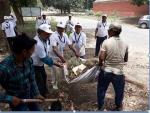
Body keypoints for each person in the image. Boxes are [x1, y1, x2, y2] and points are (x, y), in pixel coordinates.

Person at [0, 33, 44, 111]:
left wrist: (36, 93)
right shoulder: (4, 68)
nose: (33, 53)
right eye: (32, 50)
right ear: (24, 52)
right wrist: (10, 98)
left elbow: (32, 79)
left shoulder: (29, 61)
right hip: (16, 101)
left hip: (30, 95)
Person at [97, 24, 128, 111]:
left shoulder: (106, 42)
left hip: (106, 71)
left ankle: (101, 106)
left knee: (101, 89)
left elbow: (101, 58)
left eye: (109, 30)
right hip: (119, 73)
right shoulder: (125, 43)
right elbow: (125, 59)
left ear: (112, 31)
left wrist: (99, 64)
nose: (107, 31)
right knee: (119, 92)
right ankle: (118, 106)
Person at [31, 24, 62, 97]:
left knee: (44, 76)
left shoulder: (46, 40)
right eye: (47, 34)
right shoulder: (37, 43)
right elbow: (44, 58)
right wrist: (55, 63)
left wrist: (55, 61)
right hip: (35, 65)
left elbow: (46, 53)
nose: (48, 35)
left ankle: (44, 91)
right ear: (40, 32)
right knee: (39, 80)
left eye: (49, 34)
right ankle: (40, 95)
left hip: (40, 63)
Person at [49, 21, 79, 89]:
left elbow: (70, 45)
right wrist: (62, 58)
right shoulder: (53, 36)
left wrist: (75, 52)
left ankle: (64, 79)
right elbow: (55, 49)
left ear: (64, 28)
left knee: (63, 68)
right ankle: (54, 83)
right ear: (57, 28)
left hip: (60, 54)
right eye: (59, 27)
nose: (60, 29)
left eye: (62, 28)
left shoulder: (65, 35)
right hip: (53, 56)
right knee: (54, 70)